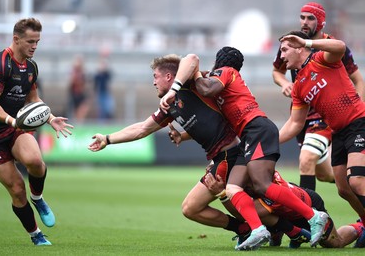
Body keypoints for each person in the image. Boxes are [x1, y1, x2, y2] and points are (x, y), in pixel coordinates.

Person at [89, 54, 285, 250]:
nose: (153, 82)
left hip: (232, 153)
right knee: (240, 201)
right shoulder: (168, 107)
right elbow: (141, 129)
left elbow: (191, 58)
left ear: (168, 77)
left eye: (155, 76)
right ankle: (276, 228)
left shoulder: (192, 85)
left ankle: (258, 228)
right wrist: (107, 139)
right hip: (222, 156)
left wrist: (174, 89)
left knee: (195, 206)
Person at [159, 49, 329, 248]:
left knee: (262, 185)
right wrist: (183, 135)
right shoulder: (222, 83)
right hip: (250, 134)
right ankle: (258, 230)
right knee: (231, 189)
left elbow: (201, 81)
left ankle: (313, 216)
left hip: (256, 129)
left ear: (219, 61)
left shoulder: (225, 72)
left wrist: (195, 73)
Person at [0, 18, 74, 246]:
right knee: (17, 189)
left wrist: (49, 117)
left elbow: (33, 99)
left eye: (38, 41)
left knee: (36, 162)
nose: (35, 46)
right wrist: (11, 120)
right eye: (31, 41)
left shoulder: (31, 67)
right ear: (16, 39)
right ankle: (35, 234)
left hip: (16, 129)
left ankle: (38, 199)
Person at [278, 31, 365, 233]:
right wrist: (269, 140)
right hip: (338, 133)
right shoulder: (299, 86)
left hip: (358, 123)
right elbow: (295, 123)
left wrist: (307, 41)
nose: (281, 56)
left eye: (284, 50)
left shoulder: (320, 58)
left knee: (357, 182)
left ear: (299, 48)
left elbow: (341, 47)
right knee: (343, 189)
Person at [272, 2, 364, 191]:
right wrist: (285, 83)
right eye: (302, 17)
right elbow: (276, 72)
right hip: (304, 114)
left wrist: (356, 110)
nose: (305, 22)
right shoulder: (290, 45)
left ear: (320, 22)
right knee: (326, 176)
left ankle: (313, 215)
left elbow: (357, 79)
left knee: (306, 160)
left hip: (328, 119)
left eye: (310, 18)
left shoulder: (327, 49)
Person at [205, 169, 365, 248]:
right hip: (282, 209)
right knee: (271, 235)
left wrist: (222, 194)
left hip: (309, 205)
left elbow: (244, 214)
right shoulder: (255, 172)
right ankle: (285, 232)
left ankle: (360, 227)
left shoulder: (266, 188)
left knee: (334, 243)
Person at [68, 54, 90, 123]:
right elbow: (71, 83)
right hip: (75, 94)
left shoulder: (83, 72)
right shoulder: (73, 72)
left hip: (81, 94)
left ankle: (79, 122)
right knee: (76, 112)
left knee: (83, 109)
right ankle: (78, 123)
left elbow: (85, 84)